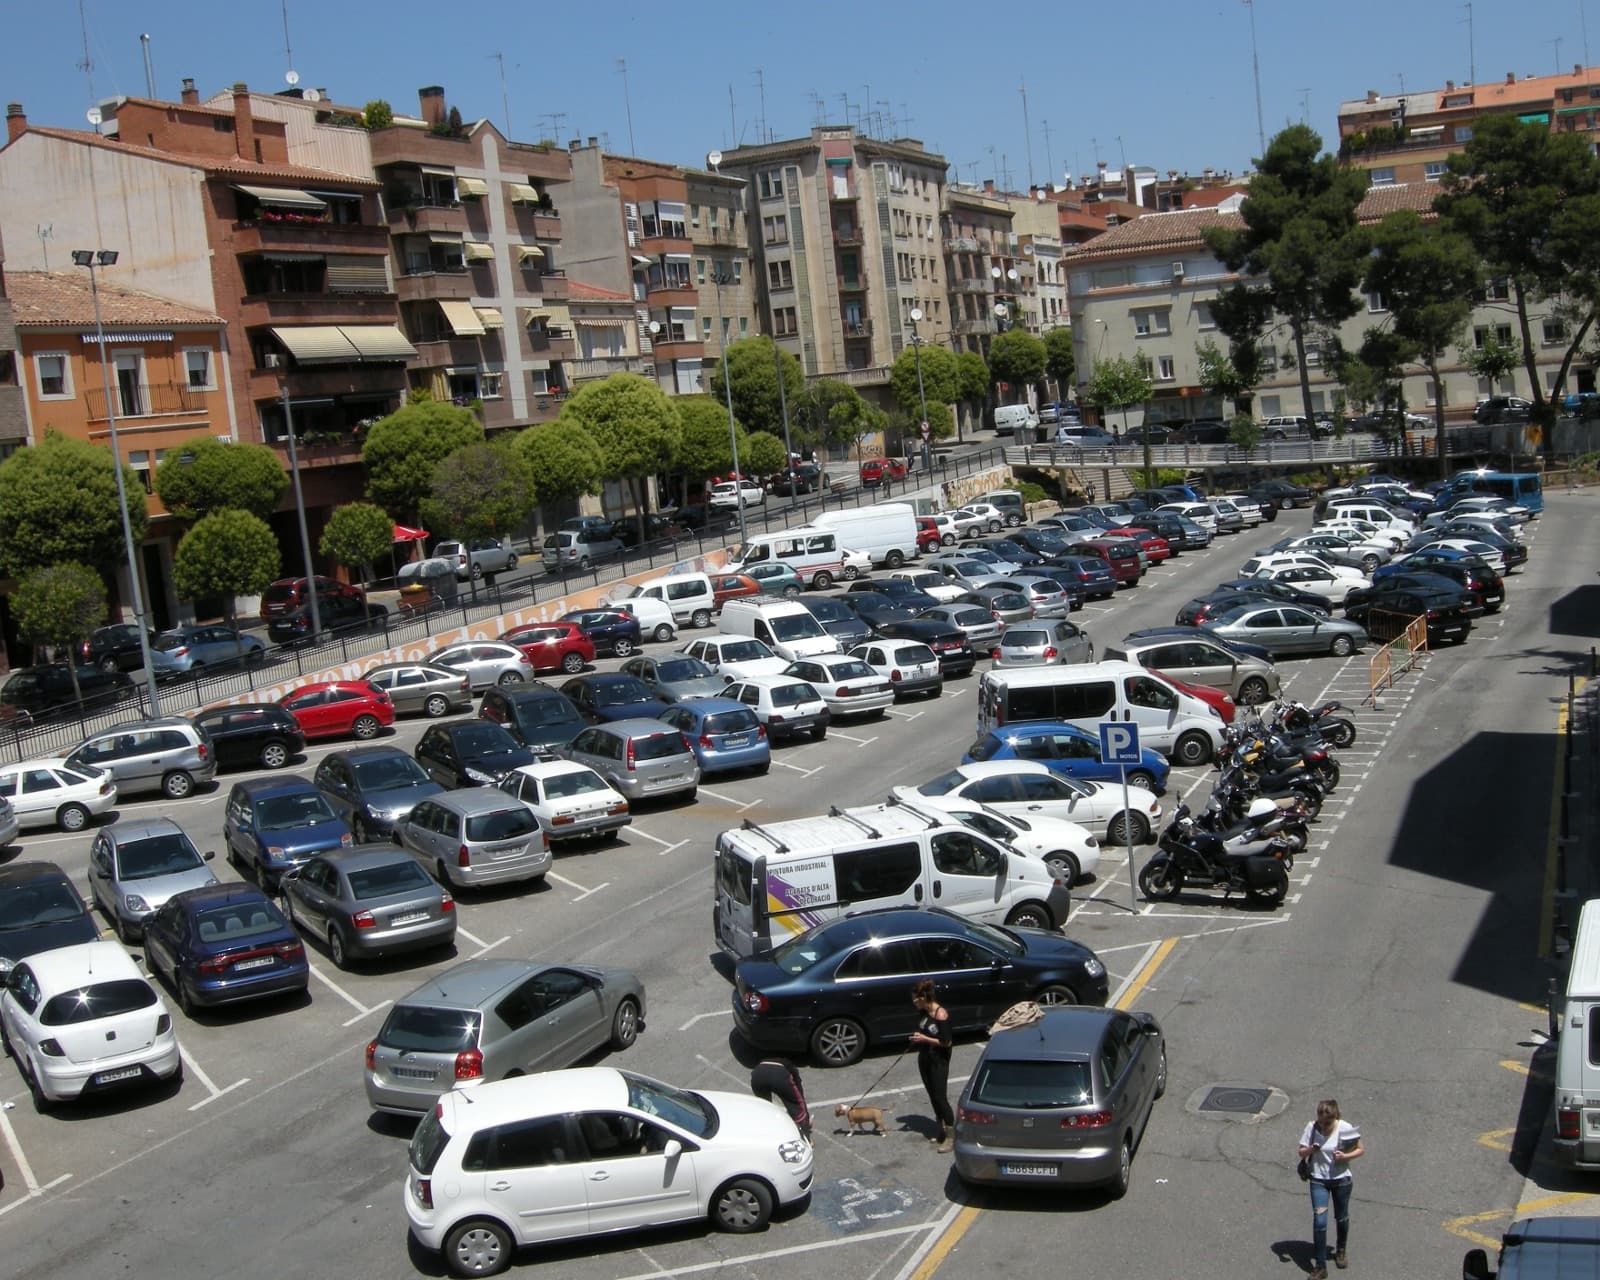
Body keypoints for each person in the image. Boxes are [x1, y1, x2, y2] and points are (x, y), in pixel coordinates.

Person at [1298, 1098, 1364, 1276]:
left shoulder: (1344, 1127)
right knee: (1319, 1222)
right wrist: (1312, 1149)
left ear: (1335, 1117)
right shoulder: (1311, 1128)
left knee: (1341, 1217)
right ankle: (1320, 1266)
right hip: (1318, 1180)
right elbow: (1301, 1151)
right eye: (1321, 1121)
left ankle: (1340, 1249)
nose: (1324, 1126)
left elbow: (1360, 1149)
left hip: (1341, 1180)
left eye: (1328, 1122)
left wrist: (1344, 1157)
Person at [910, 978, 954, 1152]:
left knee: (940, 1096)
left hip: (939, 1060)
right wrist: (918, 1037)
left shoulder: (940, 1014)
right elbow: (923, 1029)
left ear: (922, 998)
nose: (914, 1002)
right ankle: (941, 1129)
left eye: (915, 999)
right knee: (931, 1094)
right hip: (925, 1056)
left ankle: (951, 1134)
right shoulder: (923, 1012)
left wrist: (925, 1039)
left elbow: (946, 1041)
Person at [750, 1057, 811, 1141]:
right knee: (798, 1110)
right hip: (778, 1075)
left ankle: (768, 1137)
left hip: (757, 1075)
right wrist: (806, 1120)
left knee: (765, 1108)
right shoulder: (792, 1069)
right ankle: (806, 1140)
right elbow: (799, 1098)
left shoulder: (767, 1060)